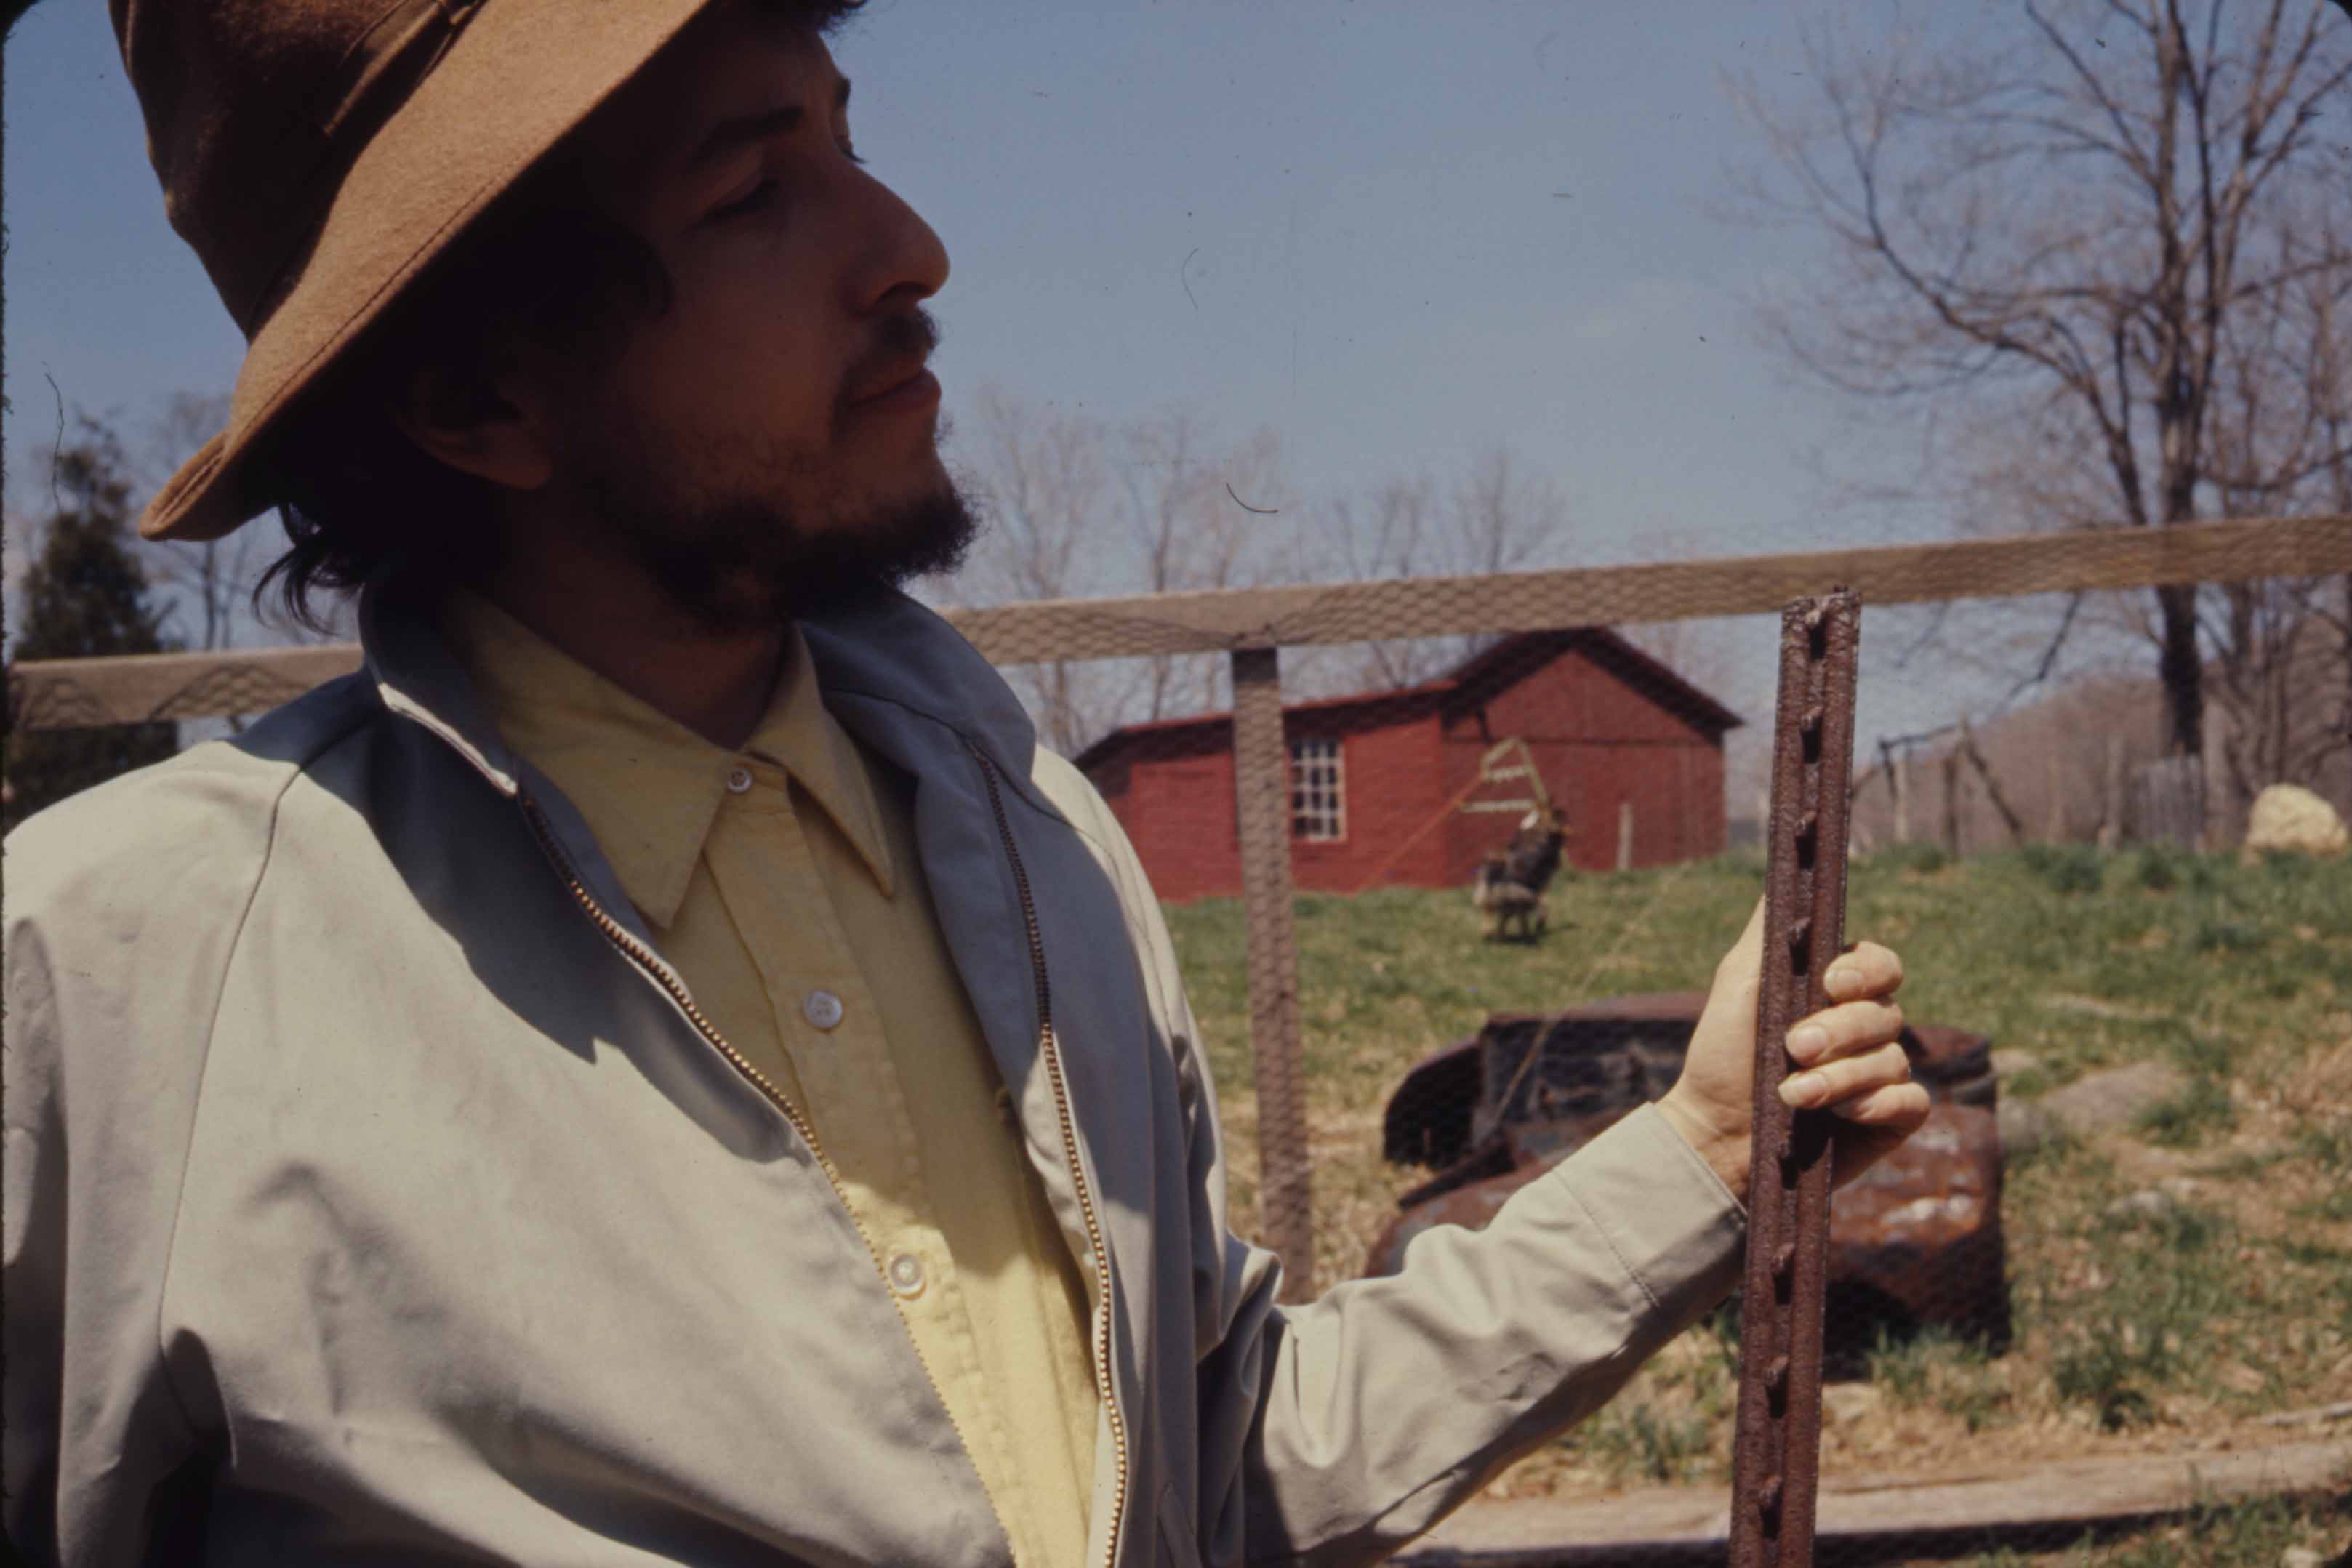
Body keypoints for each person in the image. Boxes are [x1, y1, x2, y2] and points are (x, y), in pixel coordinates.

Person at [3, 2, 1930, 1563]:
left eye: (849, 136)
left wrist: (1703, 1163)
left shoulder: (1032, 836)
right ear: (476, 397)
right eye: (760, 192)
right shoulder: (110, 982)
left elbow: (1214, 1461)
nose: (912, 250)